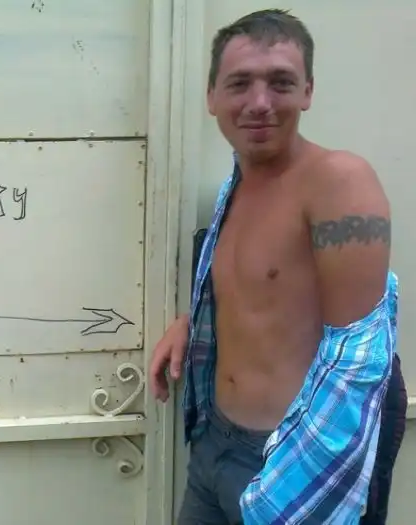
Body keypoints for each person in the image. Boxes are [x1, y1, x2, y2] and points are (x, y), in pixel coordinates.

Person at [148, 9, 406, 524]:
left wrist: (284, 491)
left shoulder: (338, 183)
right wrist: (192, 323)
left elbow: (358, 363)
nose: (260, 102)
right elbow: (264, 294)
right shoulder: (235, 187)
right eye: (240, 83)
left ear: (307, 91)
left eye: (281, 83)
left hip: (291, 466)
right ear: (211, 97)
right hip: (212, 447)